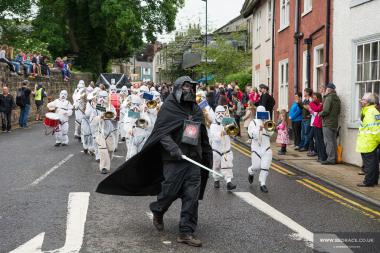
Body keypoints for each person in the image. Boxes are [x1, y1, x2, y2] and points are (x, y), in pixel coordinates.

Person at [96, 76, 213, 247]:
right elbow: (162, 133)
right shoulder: (169, 107)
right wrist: (174, 149)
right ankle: (158, 209)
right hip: (174, 160)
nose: (189, 90)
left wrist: (207, 155)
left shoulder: (195, 109)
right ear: (178, 88)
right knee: (169, 192)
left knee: (191, 197)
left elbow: (202, 133)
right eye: (186, 87)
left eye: (191, 87)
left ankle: (186, 232)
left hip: (193, 159)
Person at [247, 106, 274, 193]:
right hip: (256, 148)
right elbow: (251, 135)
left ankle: (263, 183)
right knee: (256, 167)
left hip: (266, 147)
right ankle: (251, 172)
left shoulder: (268, 122)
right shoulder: (253, 123)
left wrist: (266, 127)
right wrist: (259, 129)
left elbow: (271, 134)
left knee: (265, 166)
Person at [209, 105, 236, 190]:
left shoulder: (228, 123)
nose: (220, 114)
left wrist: (231, 126)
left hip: (226, 149)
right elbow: (215, 138)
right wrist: (223, 133)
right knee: (216, 166)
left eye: (222, 113)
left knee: (228, 166)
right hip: (216, 150)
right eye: (218, 113)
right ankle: (216, 179)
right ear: (216, 114)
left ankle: (228, 182)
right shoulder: (213, 125)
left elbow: (234, 132)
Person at [356, 93, 380, 187]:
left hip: (368, 142)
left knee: (369, 164)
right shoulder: (371, 111)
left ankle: (368, 182)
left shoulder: (370, 112)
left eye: (363, 100)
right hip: (369, 142)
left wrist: (376, 141)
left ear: (368, 102)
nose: (361, 101)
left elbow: (375, 130)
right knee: (373, 163)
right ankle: (373, 181)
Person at [93, 90, 117, 174]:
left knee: (110, 150)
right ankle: (104, 167)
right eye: (101, 97)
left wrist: (109, 113)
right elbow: (92, 120)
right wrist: (100, 117)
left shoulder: (110, 106)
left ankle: (107, 162)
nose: (102, 99)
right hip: (99, 132)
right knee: (103, 150)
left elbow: (114, 116)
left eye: (104, 97)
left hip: (109, 131)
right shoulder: (95, 107)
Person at [319, 83, 341, 165]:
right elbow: (338, 111)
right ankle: (334, 158)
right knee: (333, 141)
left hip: (327, 123)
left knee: (328, 141)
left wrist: (319, 114)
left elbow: (326, 111)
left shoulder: (329, 98)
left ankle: (331, 159)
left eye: (326, 89)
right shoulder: (337, 98)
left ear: (328, 90)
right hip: (334, 123)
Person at [308, 92, 327, 162]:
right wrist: (321, 105)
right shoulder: (312, 103)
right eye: (313, 97)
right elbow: (316, 109)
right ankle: (320, 156)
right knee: (318, 141)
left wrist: (321, 104)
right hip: (316, 124)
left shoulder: (321, 102)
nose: (314, 99)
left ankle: (321, 156)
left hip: (321, 124)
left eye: (315, 97)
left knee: (320, 141)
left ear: (319, 98)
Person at [299, 88, 313, 152]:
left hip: (308, 118)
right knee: (302, 133)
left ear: (307, 93)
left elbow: (309, 108)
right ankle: (302, 145)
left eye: (304, 92)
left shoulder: (310, 100)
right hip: (303, 118)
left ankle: (305, 147)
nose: (303, 93)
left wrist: (301, 103)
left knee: (306, 133)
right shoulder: (304, 100)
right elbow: (303, 107)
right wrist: (299, 103)